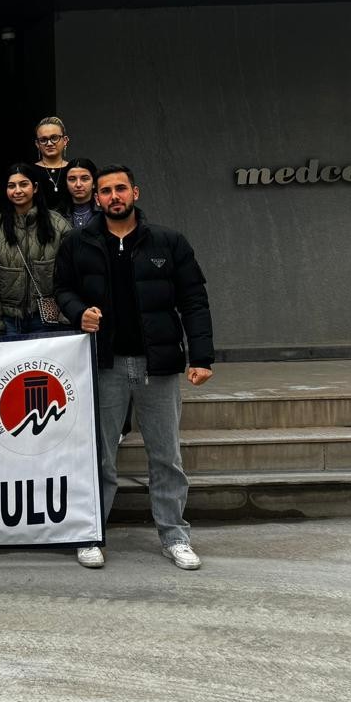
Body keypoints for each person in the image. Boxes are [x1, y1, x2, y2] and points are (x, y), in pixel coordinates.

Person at [53, 165, 215, 573]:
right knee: (100, 457)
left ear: (135, 192)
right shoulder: (77, 243)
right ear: (97, 198)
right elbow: (62, 289)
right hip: (103, 365)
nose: (114, 196)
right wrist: (78, 312)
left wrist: (201, 357)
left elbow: (193, 299)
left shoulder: (168, 241)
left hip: (156, 366)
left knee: (166, 456)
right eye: (106, 191)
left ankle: (175, 536)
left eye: (120, 189)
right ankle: (91, 534)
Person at [0, 162, 72, 335]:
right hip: (8, 319)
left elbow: (69, 273)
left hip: (46, 317)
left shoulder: (58, 225)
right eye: (11, 186)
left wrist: (64, 314)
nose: (17, 190)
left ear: (35, 188)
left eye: (23, 184)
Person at [32, 116, 74, 218]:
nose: (49, 143)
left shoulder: (74, 170)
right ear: (37, 144)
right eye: (43, 140)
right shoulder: (30, 172)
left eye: (54, 138)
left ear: (65, 140)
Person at [63, 158, 100, 229]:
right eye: (72, 179)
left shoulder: (105, 212)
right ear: (66, 183)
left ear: (94, 183)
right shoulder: (57, 216)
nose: (78, 184)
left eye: (84, 179)